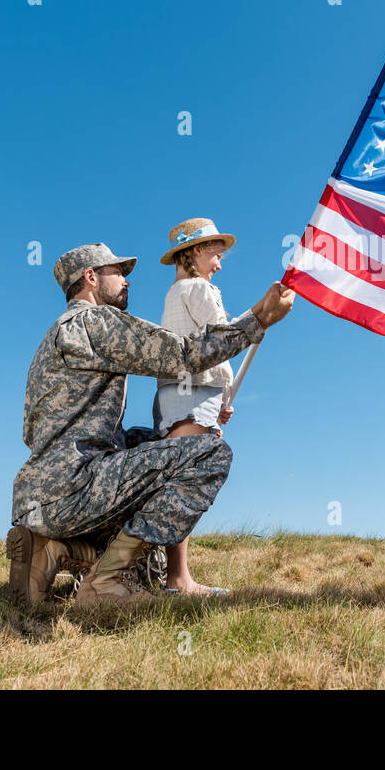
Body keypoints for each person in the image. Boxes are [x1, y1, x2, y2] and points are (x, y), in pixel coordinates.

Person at [7, 242, 294, 607]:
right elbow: (182, 355)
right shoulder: (94, 322)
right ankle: (106, 581)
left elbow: (31, 432)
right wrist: (258, 318)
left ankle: (53, 549)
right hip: (75, 490)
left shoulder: (52, 337)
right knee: (208, 454)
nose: (127, 281)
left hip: (40, 498)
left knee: (150, 450)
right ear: (91, 277)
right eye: (118, 272)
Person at [154, 218, 239, 596]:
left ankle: (176, 577)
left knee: (178, 479)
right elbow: (224, 339)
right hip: (192, 394)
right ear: (193, 253)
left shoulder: (174, 293)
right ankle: (179, 580)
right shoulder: (199, 289)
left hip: (179, 394)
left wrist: (220, 398)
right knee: (186, 482)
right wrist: (260, 318)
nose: (218, 264)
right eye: (214, 255)